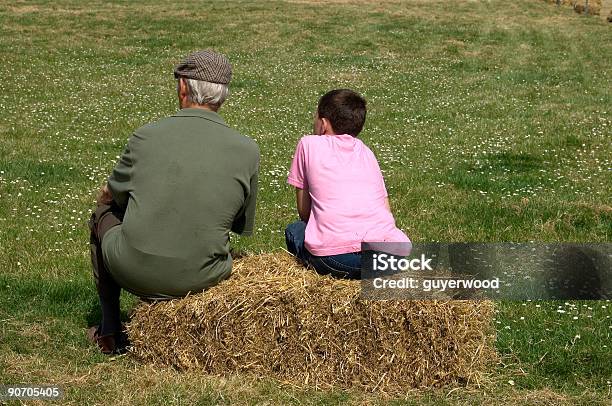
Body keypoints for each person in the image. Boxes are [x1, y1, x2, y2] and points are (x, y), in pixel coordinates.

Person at [87, 50, 259, 354]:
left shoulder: (145, 136)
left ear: (183, 88)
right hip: (204, 277)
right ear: (222, 96)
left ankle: (110, 327)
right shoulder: (247, 150)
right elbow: (239, 225)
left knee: (102, 212)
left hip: (133, 271)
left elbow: (114, 196)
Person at [284, 89, 410, 279]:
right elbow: (386, 209)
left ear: (323, 124)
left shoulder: (308, 145)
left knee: (295, 230)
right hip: (392, 257)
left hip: (337, 258)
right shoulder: (367, 152)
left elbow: (304, 212)